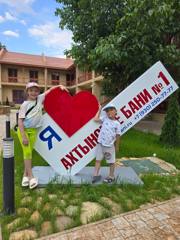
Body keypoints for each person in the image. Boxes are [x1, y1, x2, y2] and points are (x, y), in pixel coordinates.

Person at [17, 82, 67, 189]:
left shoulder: (39, 99)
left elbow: (50, 90)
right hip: (24, 131)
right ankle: (31, 177)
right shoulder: (24, 105)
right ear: (27, 92)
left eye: (35, 91)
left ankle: (24, 175)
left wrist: (59, 86)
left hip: (34, 131)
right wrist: (24, 136)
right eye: (31, 91)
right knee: (27, 153)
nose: (33, 93)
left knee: (29, 152)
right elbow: (20, 121)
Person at [92, 104, 121, 183]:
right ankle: (96, 175)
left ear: (115, 111)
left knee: (111, 162)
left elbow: (118, 135)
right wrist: (99, 109)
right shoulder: (104, 118)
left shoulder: (117, 124)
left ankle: (111, 176)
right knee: (98, 160)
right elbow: (95, 119)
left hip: (109, 146)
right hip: (100, 144)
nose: (109, 112)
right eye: (107, 111)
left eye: (111, 110)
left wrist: (117, 146)